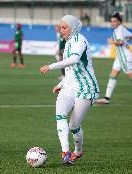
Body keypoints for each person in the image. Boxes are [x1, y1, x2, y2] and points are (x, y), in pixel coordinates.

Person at [39, 15, 100, 165]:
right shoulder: (68, 43)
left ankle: (78, 151)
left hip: (85, 88)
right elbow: (71, 70)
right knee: (60, 114)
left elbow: (73, 60)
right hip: (69, 86)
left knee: (74, 126)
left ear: (73, 28)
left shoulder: (80, 40)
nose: (61, 30)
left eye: (64, 27)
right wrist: (61, 84)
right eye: (60, 27)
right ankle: (65, 152)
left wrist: (51, 66)